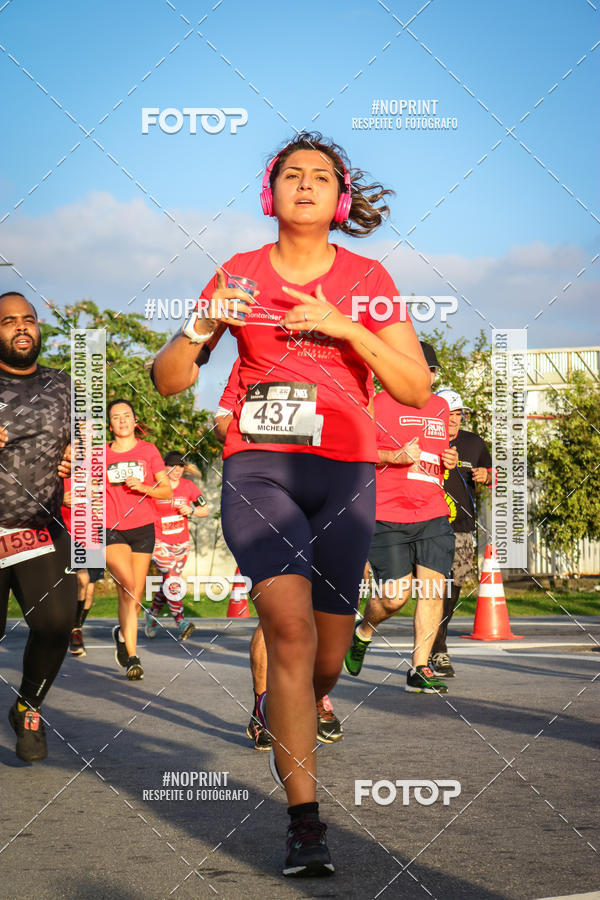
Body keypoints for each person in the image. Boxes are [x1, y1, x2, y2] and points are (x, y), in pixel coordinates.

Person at [152, 131, 430, 877]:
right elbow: (169, 380)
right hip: (260, 465)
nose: (304, 184)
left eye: (320, 177)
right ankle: (305, 822)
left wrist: (347, 329)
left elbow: (413, 389)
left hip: (344, 472)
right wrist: (203, 322)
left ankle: (290, 706)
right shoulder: (237, 273)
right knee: (289, 628)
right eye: (291, 175)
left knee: (325, 658)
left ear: (340, 200)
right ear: (269, 191)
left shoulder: (369, 278)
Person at [214, 363, 343, 750]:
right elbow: (221, 419)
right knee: (279, 611)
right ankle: (264, 705)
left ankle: (315, 693)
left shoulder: (340, 350)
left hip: (329, 496)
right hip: (268, 496)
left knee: (325, 611)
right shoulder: (252, 356)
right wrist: (262, 442)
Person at [344, 342, 458, 693]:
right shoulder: (374, 402)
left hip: (433, 512)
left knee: (434, 590)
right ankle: (363, 631)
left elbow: (437, 454)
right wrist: (395, 455)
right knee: (394, 597)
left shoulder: (439, 406)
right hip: (388, 514)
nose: (430, 377)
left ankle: (419, 668)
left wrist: (448, 461)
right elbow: (353, 450)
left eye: (434, 372)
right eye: (425, 370)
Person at [0, 291, 76, 761]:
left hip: (40, 526)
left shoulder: (65, 384)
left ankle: (28, 706)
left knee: (55, 623)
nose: (22, 327)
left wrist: (78, 458)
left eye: (28, 319)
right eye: (9, 321)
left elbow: (89, 445)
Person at [105, 399, 171, 680]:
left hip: (143, 527)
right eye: (116, 416)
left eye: (126, 415)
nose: (122, 420)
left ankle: (122, 635)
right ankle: (133, 657)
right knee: (128, 585)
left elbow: (166, 490)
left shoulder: (148, 450)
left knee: (134, 597)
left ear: (135, 421)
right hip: (111, 527)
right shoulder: (100, 454)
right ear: (110, 425)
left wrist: (143, 487)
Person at [430, 389, 494, 677]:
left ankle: (438, 648)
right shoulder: (429, 438)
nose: (454, 420)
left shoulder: (474, 442)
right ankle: (432, 648)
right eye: (449, 414)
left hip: (462, 529)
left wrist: (488, 476)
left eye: (458, 414)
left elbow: (495, 474)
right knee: (426, 589)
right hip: (428, 524)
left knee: (452, 590)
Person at [145, 451, 209, 641]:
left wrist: (191, 510)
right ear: (163, 468)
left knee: (169, 582)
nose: (176, 470)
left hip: (181, 543)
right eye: (172, 466)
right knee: (172, 577)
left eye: (180, 466)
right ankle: (181, 622)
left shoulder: (189, 486)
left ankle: (152, 614)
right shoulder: (155, 486)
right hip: (158, 541)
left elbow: (205, 510)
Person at [61, 476, 105, 657]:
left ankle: (75, 628)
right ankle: (73, 630)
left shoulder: (96, 471)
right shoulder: (62, 474)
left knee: (89, 590)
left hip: (93, 537)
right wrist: (61, 500)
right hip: (69, 536)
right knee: (82, 579)